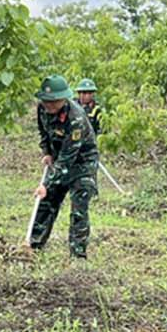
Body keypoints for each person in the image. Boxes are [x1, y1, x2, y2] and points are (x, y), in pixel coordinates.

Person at [30, 74, 99, 258]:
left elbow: (68, 159)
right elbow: (43, 132)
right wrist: (46, 152)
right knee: (46, 204)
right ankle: (33, 247)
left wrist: (46, 184)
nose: (49, 105)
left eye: (53, 102)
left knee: (79, 209)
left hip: (82, 163)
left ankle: (78, 256)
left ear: (63, 99)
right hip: (59, 159)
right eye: (45, 101)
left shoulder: (75, 118)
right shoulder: (42, 109)